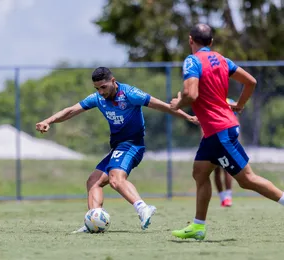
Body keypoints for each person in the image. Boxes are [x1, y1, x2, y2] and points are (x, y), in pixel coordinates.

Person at [36, 67, 198, 233]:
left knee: (115, 179)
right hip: (118, 148)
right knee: (93, 182)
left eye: (103, 87)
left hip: (133, 145)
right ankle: (92, 221)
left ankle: (143, 208)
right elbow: (71, 110)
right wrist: (48, 120)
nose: (100, 92)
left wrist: (189, 117)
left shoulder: (130, 94)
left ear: (113, 81)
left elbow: (162, 106)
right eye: (97, 88)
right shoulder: (98, 99)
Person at [170, 23, 284, 240]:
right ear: (211, 43)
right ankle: (198, 226)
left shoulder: (192, 60)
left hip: (219, 130)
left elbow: (191, 94)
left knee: (247, 179)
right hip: (216, 131)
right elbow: (251, 81)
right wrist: (239, 104)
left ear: (190, 40)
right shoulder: (222, 59)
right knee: (200, 172)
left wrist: (177, 103)